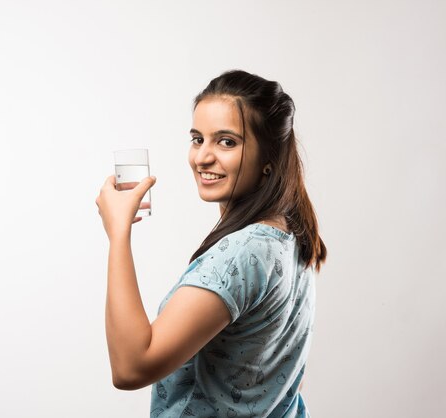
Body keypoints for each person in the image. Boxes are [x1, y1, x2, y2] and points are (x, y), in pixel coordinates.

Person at [95, 69, 326, 417]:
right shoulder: (290, 236)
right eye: (197, 138)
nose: (202, 157)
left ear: (268, 157)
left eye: (227, 141)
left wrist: (118, 234)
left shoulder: (242, 254)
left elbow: (131, 368)